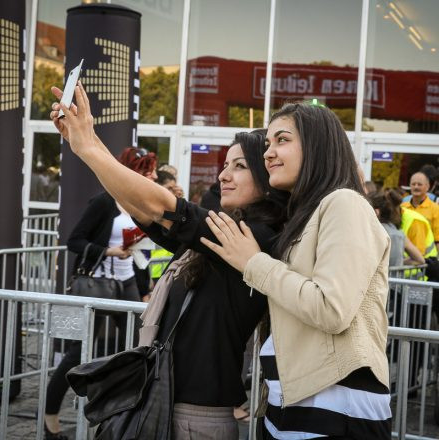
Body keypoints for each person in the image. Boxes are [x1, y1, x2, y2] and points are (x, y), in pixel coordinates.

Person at [49, 83, 288, 439]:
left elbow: (162, 205)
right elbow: (142, 207)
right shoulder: (231, 232)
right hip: (170, 402)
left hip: (195, 417)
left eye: (239, 166)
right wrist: (85, 142)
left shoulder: (255, 238)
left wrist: (87, 146)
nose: (223, 175)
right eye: (225, 164)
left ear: (268, 177)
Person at [201, 102, 392, 439]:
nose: (269, 153)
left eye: (282, 140)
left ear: (317, 145)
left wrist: (253, 263)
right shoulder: (309, 213)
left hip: (334, 404)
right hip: (294, 404)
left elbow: (332, 309)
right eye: (268, 145)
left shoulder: (344, 203)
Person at [43, 146, 157, 440]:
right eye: (147, 170)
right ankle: (50, 421)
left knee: (135, 351)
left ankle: (122, 419)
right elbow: (74, 241)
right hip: (97, 286)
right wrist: (108, 251)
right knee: (76, 354)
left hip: (127, 283)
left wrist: (145, 288)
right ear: (131, 172)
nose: (153, 175)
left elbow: (140, 250)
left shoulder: (143, 202)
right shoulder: (104, 202)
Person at [369, 190, 424, 266]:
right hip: (395, 277)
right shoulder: (399, 234)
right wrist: (399, 263)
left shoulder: (369, 232)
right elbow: (420, 260)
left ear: (376, 212)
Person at [401, 171, 439, 251]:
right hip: (405, 257)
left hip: (427, 259)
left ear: (427, 187)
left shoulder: (435, 209)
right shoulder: (402, 208)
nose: (416, 187)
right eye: (413, 184)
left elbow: (437, 239)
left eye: (419, 184)